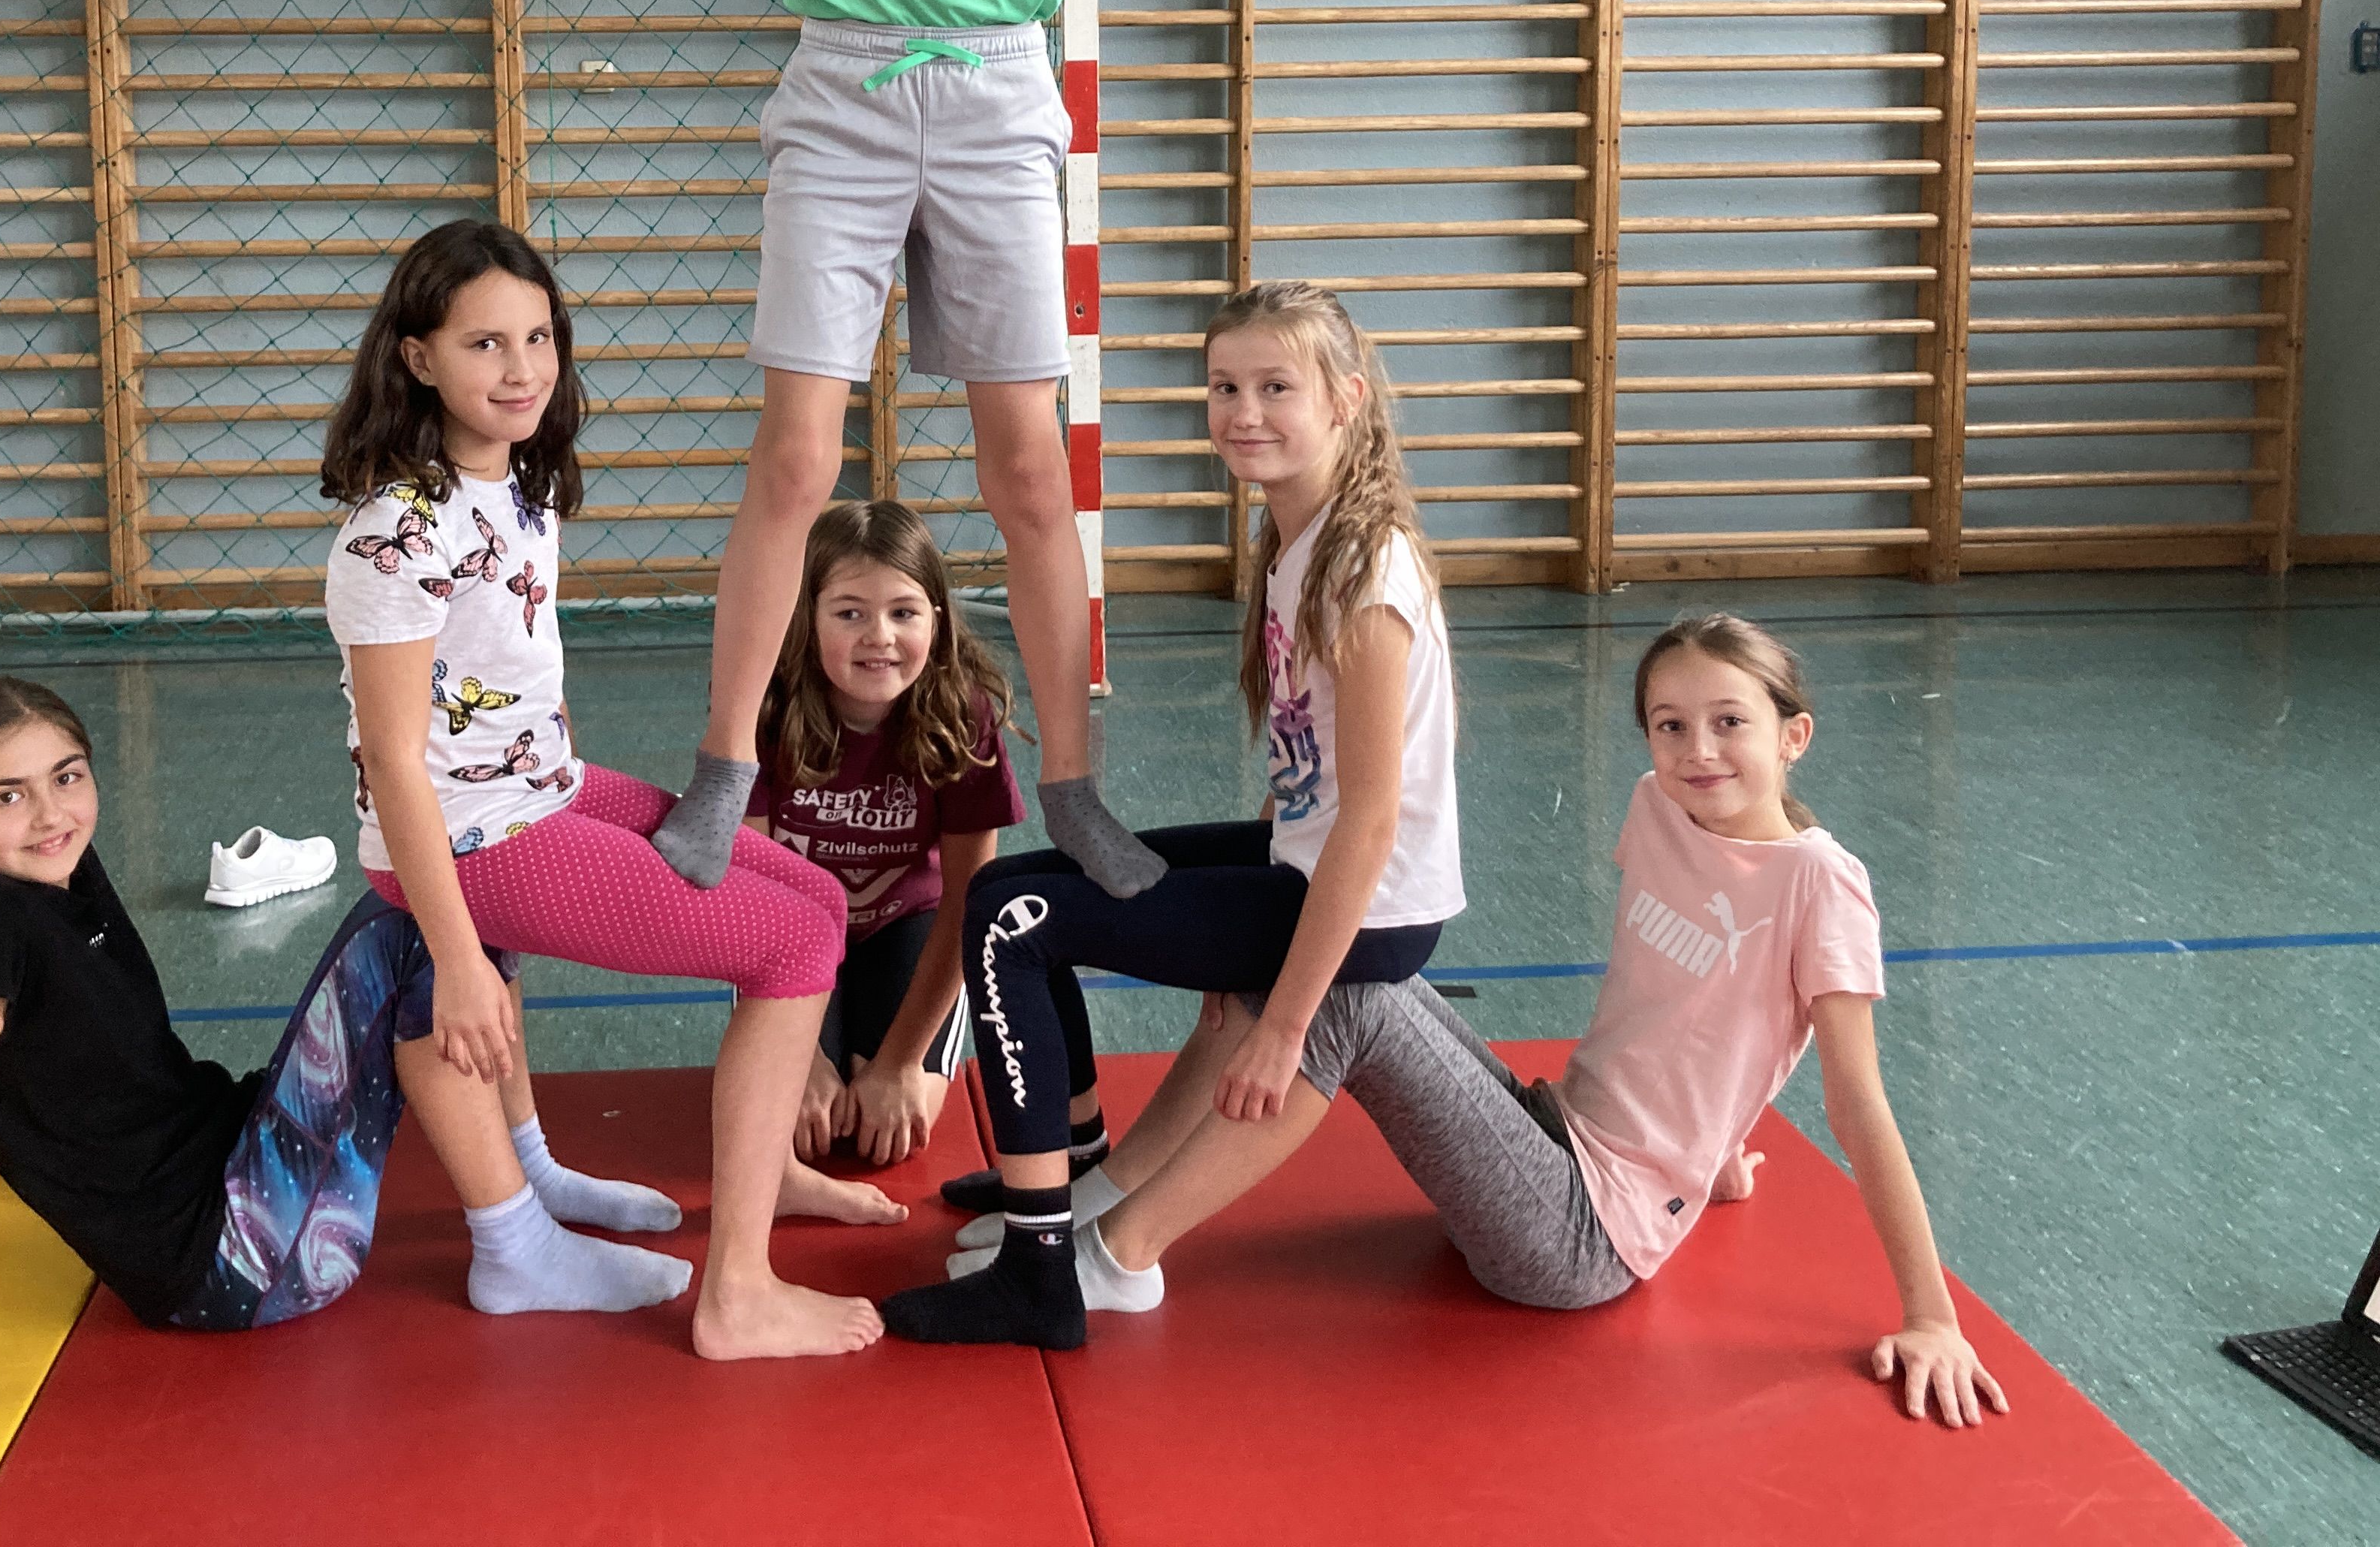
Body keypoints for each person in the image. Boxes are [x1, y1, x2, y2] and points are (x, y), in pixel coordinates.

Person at [143, 0, 1694, 905]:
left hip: (1001, 91)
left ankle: (1070, 784)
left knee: (1029, 468)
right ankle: (725, 765)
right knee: (794, 460)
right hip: (843, 89)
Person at [0, 675, 691, 1488]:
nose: (50, 813)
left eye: (66, 777)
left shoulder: (51, 875)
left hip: (239, 1176)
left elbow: (11, 1064)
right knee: (431, 909)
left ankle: (529, 1179)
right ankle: (517, 1248)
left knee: (449, 894)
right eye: (7, 796)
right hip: (245, 1260)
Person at [1079, 614, 2014, 1431]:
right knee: (1334, 952)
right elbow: (1700, 1007)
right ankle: (1111, 1191)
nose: (1699, 750)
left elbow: (1857, 1103)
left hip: (1579, 1237)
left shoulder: (1821, 885)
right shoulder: (1660, 808)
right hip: (1547, 1131)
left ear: (1794, 734)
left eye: (1731, 722)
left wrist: (1932, 1316)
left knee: (1345, 999)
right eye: (1671, 725)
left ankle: (1122, 1254)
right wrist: (1713, 1152)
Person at [322, 218, 901, 1362]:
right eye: (485, 344)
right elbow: (393, 762)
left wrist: (581, 789)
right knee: (789, 949)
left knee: (818, 901)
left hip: (544, 791)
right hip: (472, 839)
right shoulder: (396, 535)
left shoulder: (519, 485)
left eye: (538, 337)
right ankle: (736, 1295)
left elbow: (520, 675)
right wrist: (460, 959)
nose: (522, 368)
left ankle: (740, 1171)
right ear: (418, 357)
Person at [883, 279, 1465, 1346]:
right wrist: (1218, 937)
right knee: (1014, 884)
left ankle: (1042, 1270)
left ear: (1346, 398)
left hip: (1365, 909)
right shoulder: (1303, 541)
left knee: (1010, 927)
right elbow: (1309, 769)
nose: (1244, 412)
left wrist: (1280, 1022)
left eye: (1276, 387)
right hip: (1303, 866)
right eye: (1225, 387)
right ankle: (1071, 1184)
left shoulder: (1365, 572)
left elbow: (1373, 822)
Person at [746, 499, 1022, 1168]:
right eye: (850, 613)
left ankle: (881, 1053)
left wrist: (899, 1064)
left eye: (903, 612)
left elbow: (968, 901)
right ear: (806, 619)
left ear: (937, 621)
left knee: (890, 1135)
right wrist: (804, 1062)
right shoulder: (766, 706)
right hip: (792, 929)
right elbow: (747, 889)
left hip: (912, 923)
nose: (880, 636)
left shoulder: (961, 715)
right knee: (795, 1126)